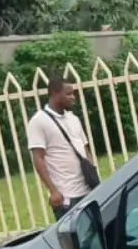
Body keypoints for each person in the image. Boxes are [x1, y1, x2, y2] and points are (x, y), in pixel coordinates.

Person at [26, 77, 99, 218]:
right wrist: (53, 191)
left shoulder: (73, 119)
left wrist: (92, 174)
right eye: (68, 94)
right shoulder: (39, 121)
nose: (73, 97)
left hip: (88, 191)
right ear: (55, 93)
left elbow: (85, 150)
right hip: (66, 197)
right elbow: (38, 158)